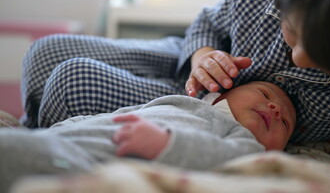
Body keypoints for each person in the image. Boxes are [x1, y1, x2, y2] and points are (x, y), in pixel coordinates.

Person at [19, 0, 330, 179]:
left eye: (328, 61)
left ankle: (45, 151)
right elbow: (210, 22)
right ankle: (35, 133)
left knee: (69, 82)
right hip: (192, 69)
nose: (299, 58)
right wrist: (202, 56)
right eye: (291, 30)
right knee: (45, 53)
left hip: (199, 111)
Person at [0, 81, 296, 192]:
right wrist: (66, 126)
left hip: (88, 162)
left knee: (14, 152)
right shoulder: (180, 102)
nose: (275, 109)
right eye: (265, 94)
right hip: (69, 137)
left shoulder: (242, 141)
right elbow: (115, 115)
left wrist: (167, 144)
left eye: (286, 124)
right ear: (221, 93)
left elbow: (228, 160)